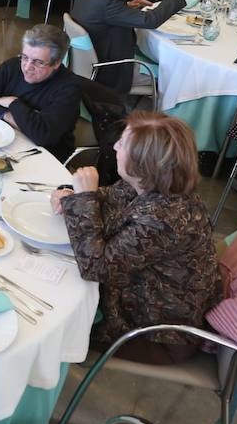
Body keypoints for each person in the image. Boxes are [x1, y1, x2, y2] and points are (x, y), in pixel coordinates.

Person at [53, 112, 222, 363]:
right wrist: (69, 195)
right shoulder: (151, 183)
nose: (113, 147)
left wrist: (83, 199)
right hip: (130, 299)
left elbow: (95, 267)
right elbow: (110, 199)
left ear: (143, 162)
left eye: (122, 144)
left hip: (152, 334)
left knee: (54, 326)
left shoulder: (166, 219)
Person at [73, 0, 190, 95]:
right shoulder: (109, 2)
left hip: (86, 61)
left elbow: (102, 14)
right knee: (175, 74)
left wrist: (126, 6)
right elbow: (150, 20)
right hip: (111, 70)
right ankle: (161, 114)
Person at [0, 24, 82, 160]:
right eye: (25, 57)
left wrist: (13, 103)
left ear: (56, 63)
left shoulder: (69, 88)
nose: (27, 67)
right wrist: (7, 115)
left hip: (44, 157)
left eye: (38, 62)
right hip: (3, 144)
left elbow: (42, 136)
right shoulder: (13, 66)